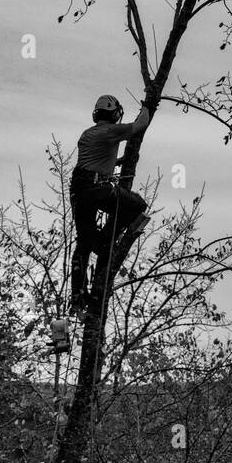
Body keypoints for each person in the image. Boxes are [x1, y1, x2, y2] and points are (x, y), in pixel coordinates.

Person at [69, 94, 150, 314]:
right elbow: (140, 125)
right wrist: (147, 105)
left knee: (82, 244)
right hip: (98, 189)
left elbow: (95, 160)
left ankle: (77, 297)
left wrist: (118, 162)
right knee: (137, 206)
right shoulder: (111, 131)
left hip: (79, 189)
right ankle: (104, 241)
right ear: (114, 113)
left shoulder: (88, 134)